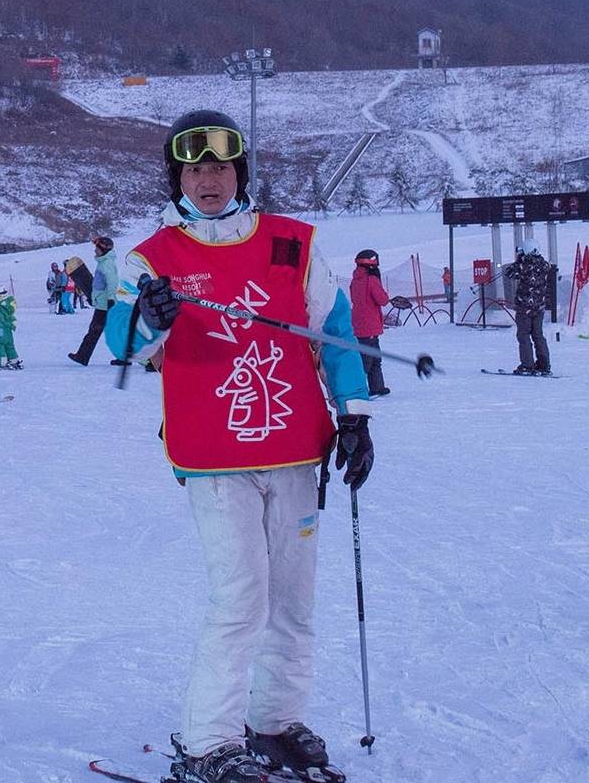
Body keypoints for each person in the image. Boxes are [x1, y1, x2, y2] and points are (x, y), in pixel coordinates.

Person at [123, 110, 373, 783]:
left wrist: (353, 416)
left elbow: (335, 332)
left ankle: (273, 720)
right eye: (195, 168)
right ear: (177, 176)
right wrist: (147, 320)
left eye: (221, 167)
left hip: (294, 447)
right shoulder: (153, 258)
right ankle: (207, 740)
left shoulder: (292, 242)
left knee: (292, 598)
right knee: (239, 597)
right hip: (212, 455)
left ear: (240, 172)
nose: (209, 180)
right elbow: (128, 348)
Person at [503, 247, 557, 376]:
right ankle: (544, 365)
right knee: (538, 335)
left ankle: (527, 365)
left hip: (524, 307)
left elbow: (509, 273)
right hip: (539, 307)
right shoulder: (544, 265)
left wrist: (519, 260)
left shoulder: (523, 265)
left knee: (524, 335)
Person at [70, 236, 123, 365]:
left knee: (96, 330)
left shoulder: (107, 264)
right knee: (110, 330)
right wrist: (93, 298)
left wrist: (110, 300)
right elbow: (99, 286)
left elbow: (112, 283)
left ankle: (82, 356)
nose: (95, 251)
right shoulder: (103, 263)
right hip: (102, 303)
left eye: (97, 248)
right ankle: (123, 358)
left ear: (103, 250)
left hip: (106, 305)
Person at [347, 251, 393, 398]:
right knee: (369, 361)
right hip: (370, 326)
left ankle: (377, 387)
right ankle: (359, 390)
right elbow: (382, 300)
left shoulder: (355, 280)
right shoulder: (371, 280)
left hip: (359, 325)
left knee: (370, 358)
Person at [0, 280, 21, 370]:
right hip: (9, 327)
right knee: (9, 344)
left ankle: (1, 361)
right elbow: (5, 314)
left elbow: (1, 317)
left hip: (1, 328)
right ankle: (14, 359)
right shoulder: (7, 302)